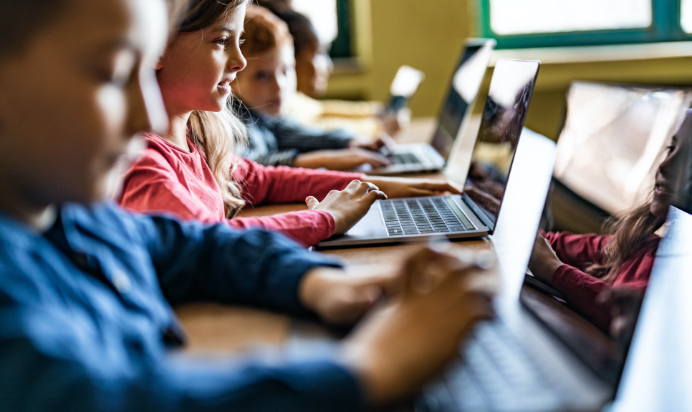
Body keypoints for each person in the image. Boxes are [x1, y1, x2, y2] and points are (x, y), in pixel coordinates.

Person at [0, 0, 496, 410]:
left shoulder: (71, 216)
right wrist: (368, 369)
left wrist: (320, 283)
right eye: (112, 74)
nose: (148, 111)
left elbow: (197, 248)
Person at [118, 0, 463, 247]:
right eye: (222, 41)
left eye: (238, 42)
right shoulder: (142, 162)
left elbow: (264, 180)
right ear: (156, 48)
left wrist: (372, 186)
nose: (239, 61)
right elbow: (212, 243)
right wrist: (325, 219)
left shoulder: (196, 138)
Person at [528, 110, 692, 332]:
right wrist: (497, 211)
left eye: (687, 160)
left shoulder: (682, 280)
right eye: (671, 150)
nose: (665, 166)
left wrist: (552, 269)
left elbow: (626, 312)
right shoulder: (641, 243)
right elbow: (555, 244)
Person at [232, 5, 393, 170]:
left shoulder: (264, 115)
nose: (280, 85)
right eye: (262, 76)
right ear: (230, 77)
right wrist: (323, 160)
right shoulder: (231, 124)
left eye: (286, 70)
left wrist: (352, 142)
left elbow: (298, 134)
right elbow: (248, 169)